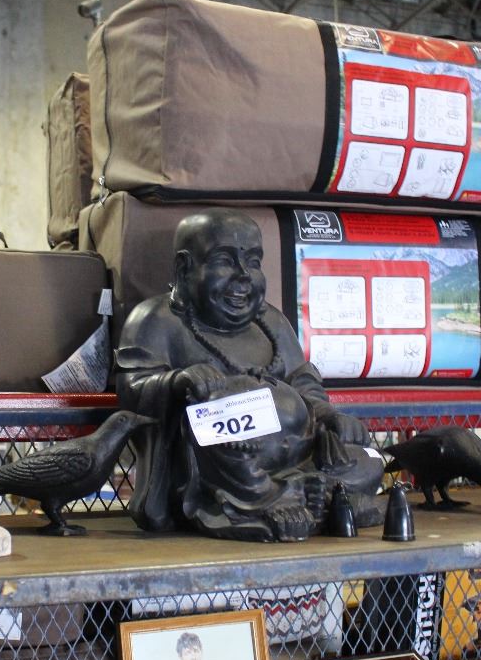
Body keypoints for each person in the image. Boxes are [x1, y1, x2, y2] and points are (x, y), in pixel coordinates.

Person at [115, 208, 383, 542]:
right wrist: (177, 381)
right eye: (225, 261)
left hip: (296, 453)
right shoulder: (156, 320)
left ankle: (304, 491)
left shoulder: (271, 322)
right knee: (210, 417)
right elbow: (132, 390)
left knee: (369, 461)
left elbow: (303, 380)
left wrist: (328, 416)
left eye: (253, 262)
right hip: (226, 468)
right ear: (185, 268)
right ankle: (288, 499)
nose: (243, 275)